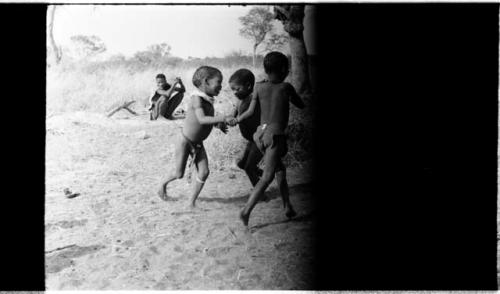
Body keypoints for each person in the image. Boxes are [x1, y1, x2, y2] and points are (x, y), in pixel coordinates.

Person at [236, 51, 305, 227]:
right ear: (283, 69)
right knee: (267, 177)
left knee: (280, 170)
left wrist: (236, 119)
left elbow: (250, 112)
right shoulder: (286, 87)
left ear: (266, 69)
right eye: (287, 69)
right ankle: (246, 211)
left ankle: (287, 206)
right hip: (275, 136)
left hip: (259, 135)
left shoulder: (259, 87)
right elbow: (301, 105)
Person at [157, 66, 237, 208]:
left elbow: (207, 120)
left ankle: (191, 202)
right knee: (178, 173)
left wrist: (217, 124)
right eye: (218, 82)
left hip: (198, 143)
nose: (221, 86)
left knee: (204, 172)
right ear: (206, 81)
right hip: (185, 141)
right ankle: (162, 184)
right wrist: (223, 118)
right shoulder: (196, 99)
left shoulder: (208, 100)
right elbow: (201, 119)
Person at [228, 69, 266, 191]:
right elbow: (234, 111)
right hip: (251, 140)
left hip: (259, 138)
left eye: (237, 89)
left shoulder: (253, 98)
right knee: (241, 164)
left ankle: (260, 192)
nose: (234, 92)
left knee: (249, 168)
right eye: (232, 89)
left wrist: (237, 120)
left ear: (248, 86)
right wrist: (228, 119)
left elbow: (249, 113)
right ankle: (265, 177)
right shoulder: (240, 98)